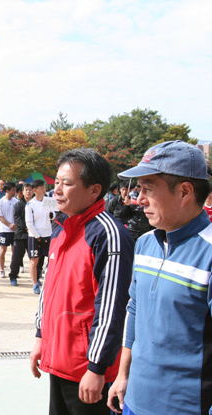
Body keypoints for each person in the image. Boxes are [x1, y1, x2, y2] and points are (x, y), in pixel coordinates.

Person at [107, 141, 212, 415]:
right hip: (134, 399)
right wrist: (123, 375)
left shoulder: (209, 252)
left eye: (148, 188)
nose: (139, 199)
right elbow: (135, 309)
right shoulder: (144, 244)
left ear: (184, 191)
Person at [30, 148, 134, 415]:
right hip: (58, 361)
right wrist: (41, 337)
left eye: (67, 184)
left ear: (94, 190)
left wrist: (96, 368)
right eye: (57, 182)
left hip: (87, 370)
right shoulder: (61, 230)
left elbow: (112, 306)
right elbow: (49, 292)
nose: (57, 191)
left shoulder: (108, 234)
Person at [26, 179, 51, 294]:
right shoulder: (30, 205)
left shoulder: (49, 201)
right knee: (34, 260)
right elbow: (29, 223)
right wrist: (38, 237)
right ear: (35, 190)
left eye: (44, 187)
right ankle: (35, 283)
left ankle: (49, 281)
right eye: (42, 188)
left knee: (51, 259)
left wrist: (52, 215)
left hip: (48, 234)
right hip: (35, 236)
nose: (44, 189)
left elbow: (55, 214)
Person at [9, 183, 36, 286]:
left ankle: (36, 278)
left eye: (30, 190)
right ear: (23, 192)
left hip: (33, 235)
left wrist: (32, 229)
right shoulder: (18, 205)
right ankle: (13, 276)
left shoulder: (36, 204)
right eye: (26, 190)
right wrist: (27, 227)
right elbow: (17, 219)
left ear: (33, 191)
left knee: (35, 258)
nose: (28, 192)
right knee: (16, 258)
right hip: (20, 235)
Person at [0, 181, 18, 280]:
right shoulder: (0, 202)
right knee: (3, 250)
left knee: (15, 251)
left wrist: (15, 225)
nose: (15, 192)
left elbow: (18, 215)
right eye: (13, 190)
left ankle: (13, 269)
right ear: (7, 191)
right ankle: (1, 269)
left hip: (15, 231)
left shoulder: (16, 202)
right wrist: (9, 224)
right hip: (4, 230)